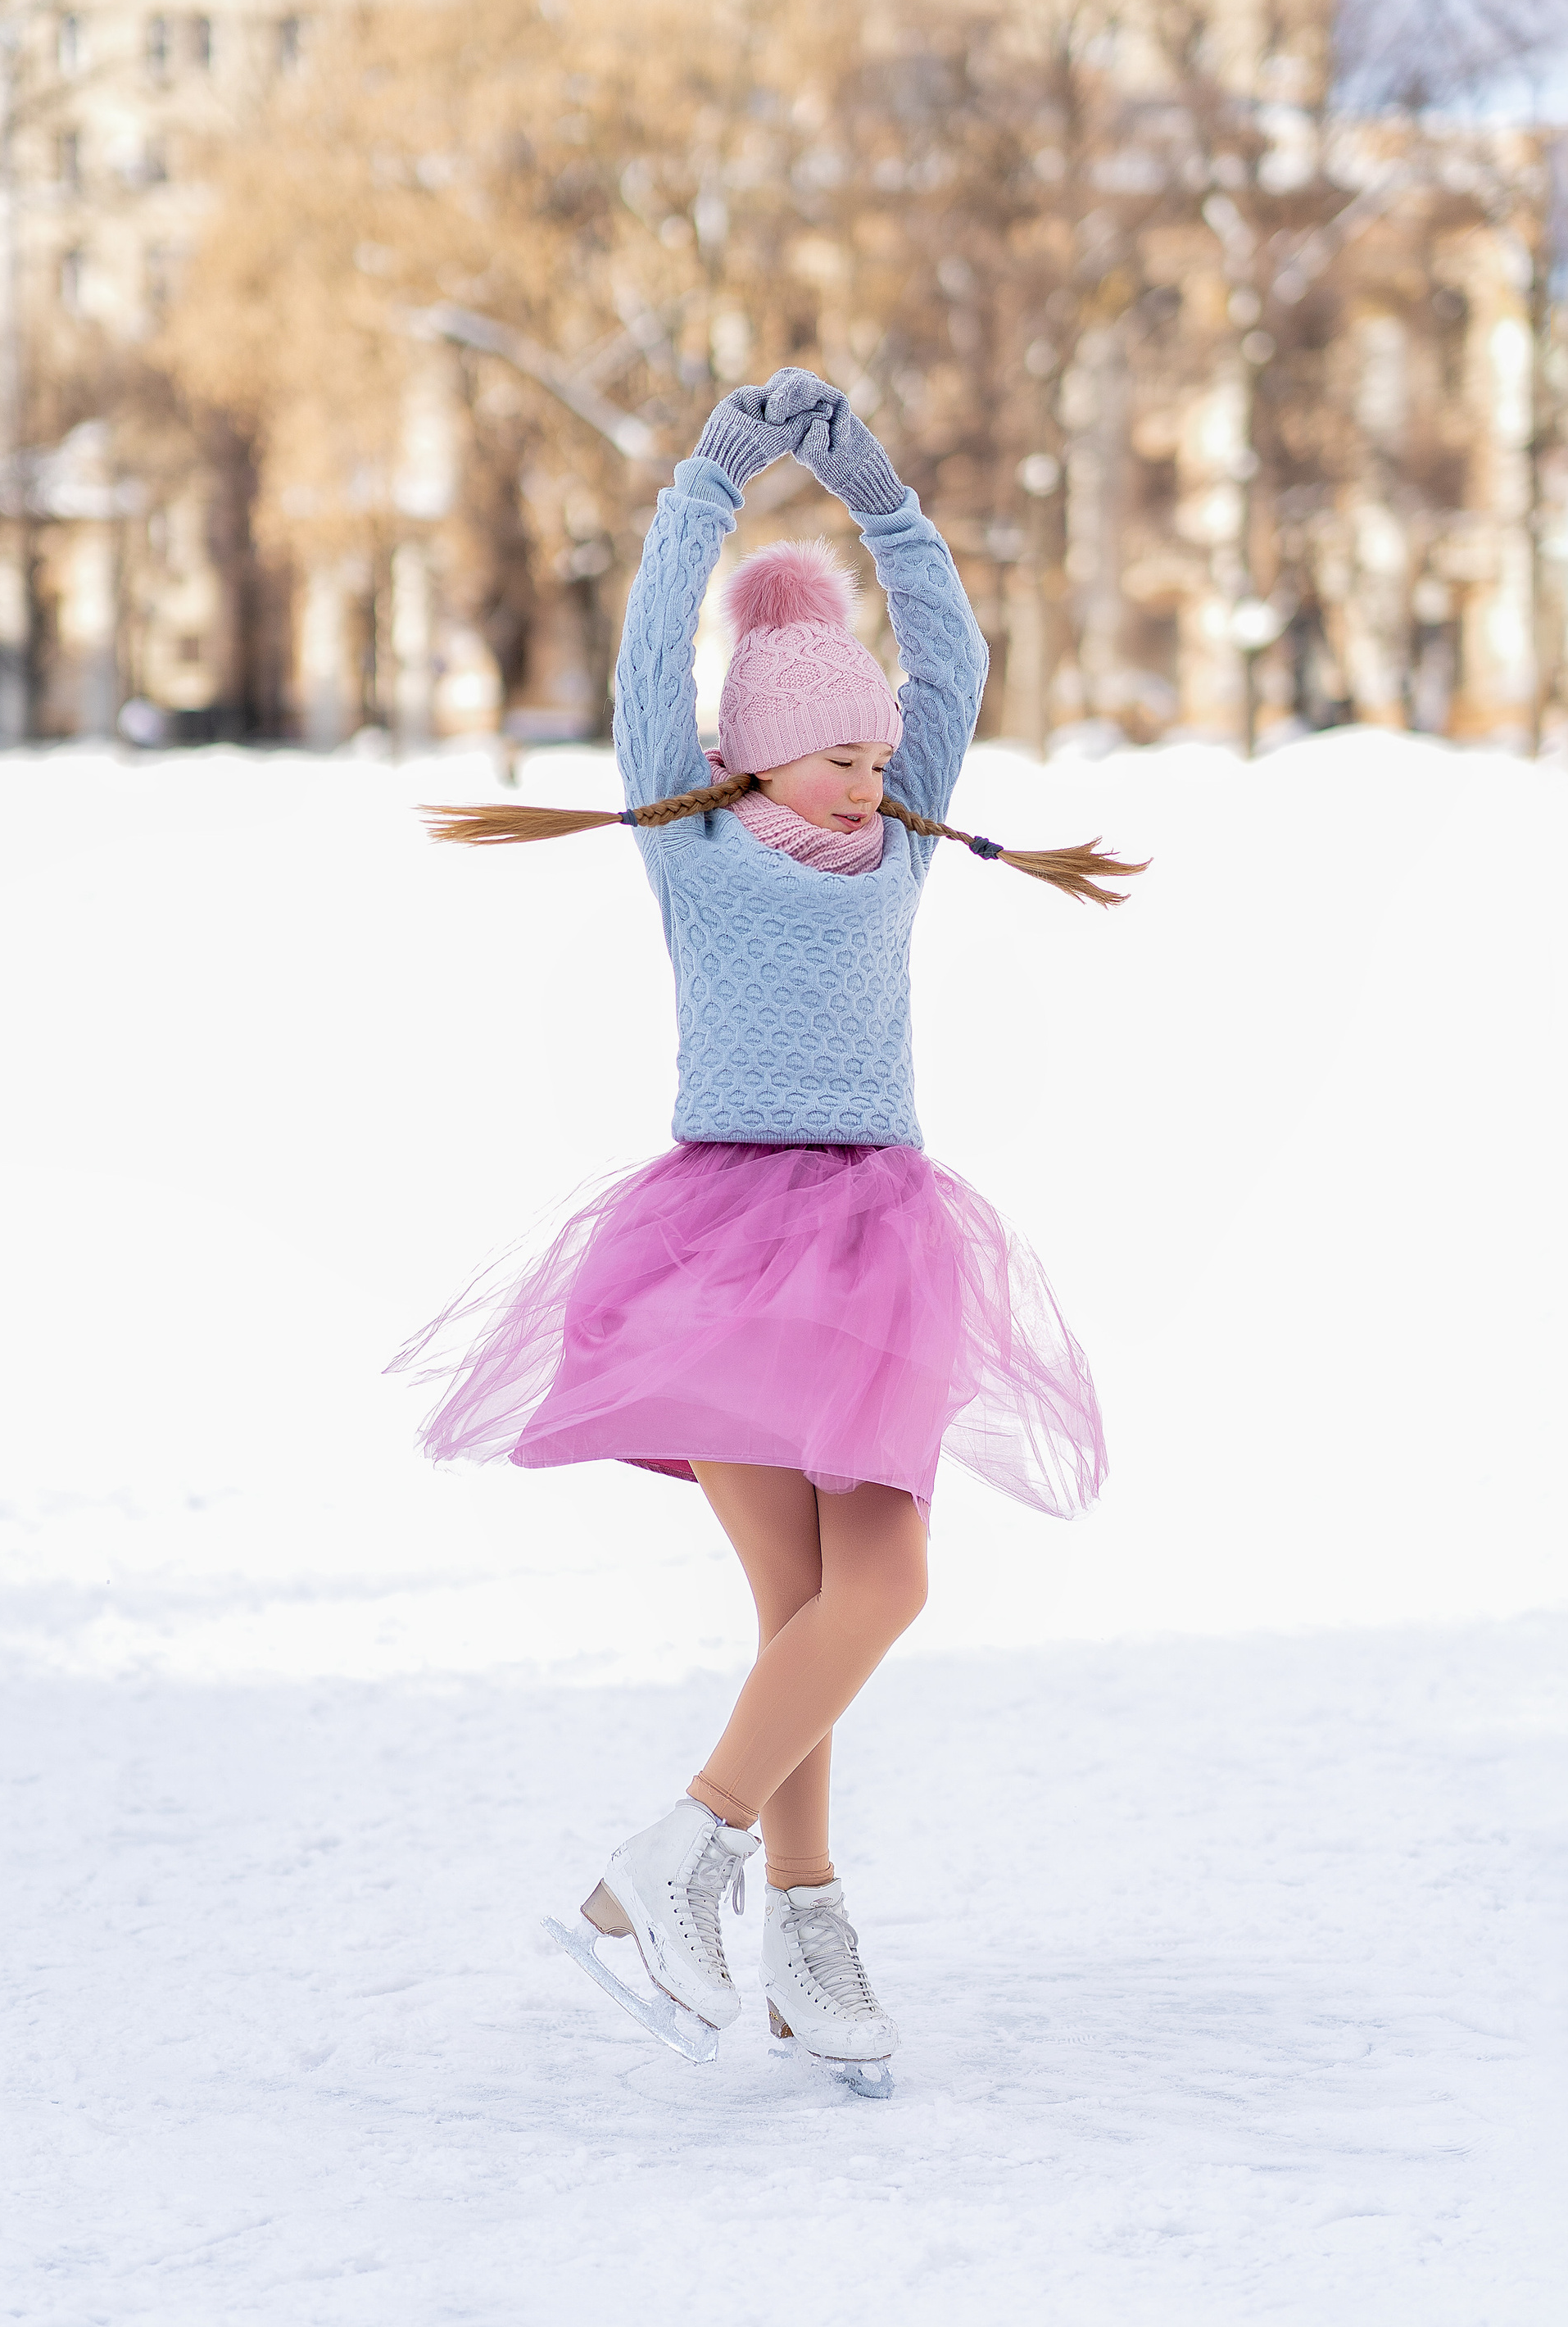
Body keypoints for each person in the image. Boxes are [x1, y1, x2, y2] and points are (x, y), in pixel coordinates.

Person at [393, 368, 1135, 2093]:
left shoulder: (896, 857)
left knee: (870, 1584)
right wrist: (709, 483)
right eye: (838, 753)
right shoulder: (690, 838)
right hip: (722, 1258)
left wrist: (882, 503)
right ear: (749, 756)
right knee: (808, 1595)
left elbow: (946, 657)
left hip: (875, 1247)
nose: (873, 777)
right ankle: (783, 1920)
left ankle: (697, 1864)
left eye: (882, 753)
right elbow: (654, 648)